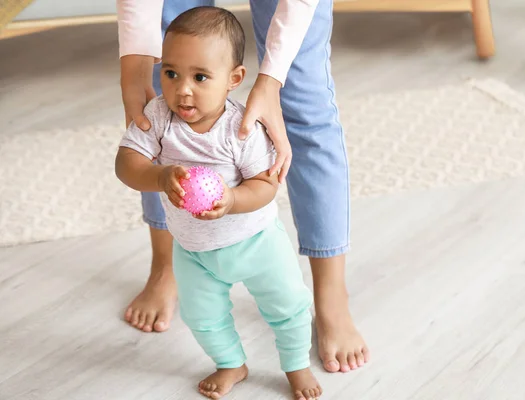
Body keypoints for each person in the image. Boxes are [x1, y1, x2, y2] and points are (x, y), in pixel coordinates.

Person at [116, 0, 370, 373]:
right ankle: (166, 265)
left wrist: (271, 81)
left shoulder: (240, 133)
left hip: (254, 239)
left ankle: (330, 295)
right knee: (176, 56)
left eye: (200, 79)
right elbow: (130, 161)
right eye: (175, 76)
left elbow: (264, 184)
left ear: (236, 78)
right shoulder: (163, 117)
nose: (184, 90)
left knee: (303, 98)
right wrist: (134, 67)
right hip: (194, 245)